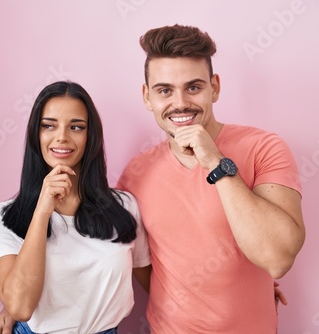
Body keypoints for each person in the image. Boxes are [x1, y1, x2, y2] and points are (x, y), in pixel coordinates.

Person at [114, 24, 305, 333]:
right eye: (164, 90)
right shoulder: (135, 174)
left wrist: (216, 162)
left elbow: (277, 258)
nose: (180, 103)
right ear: (147, 96)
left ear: (214, 87)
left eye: (193, 87)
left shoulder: (264, 148)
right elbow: (141, 265)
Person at [0, 81, 151, 334]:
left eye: (76, 127)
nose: (62, 136)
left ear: (90, 136)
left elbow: (152, 283)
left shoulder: (125, 207)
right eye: (49, 125)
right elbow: (19, 307)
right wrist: (42, 210)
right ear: (35, 134)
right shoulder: (3, 217)